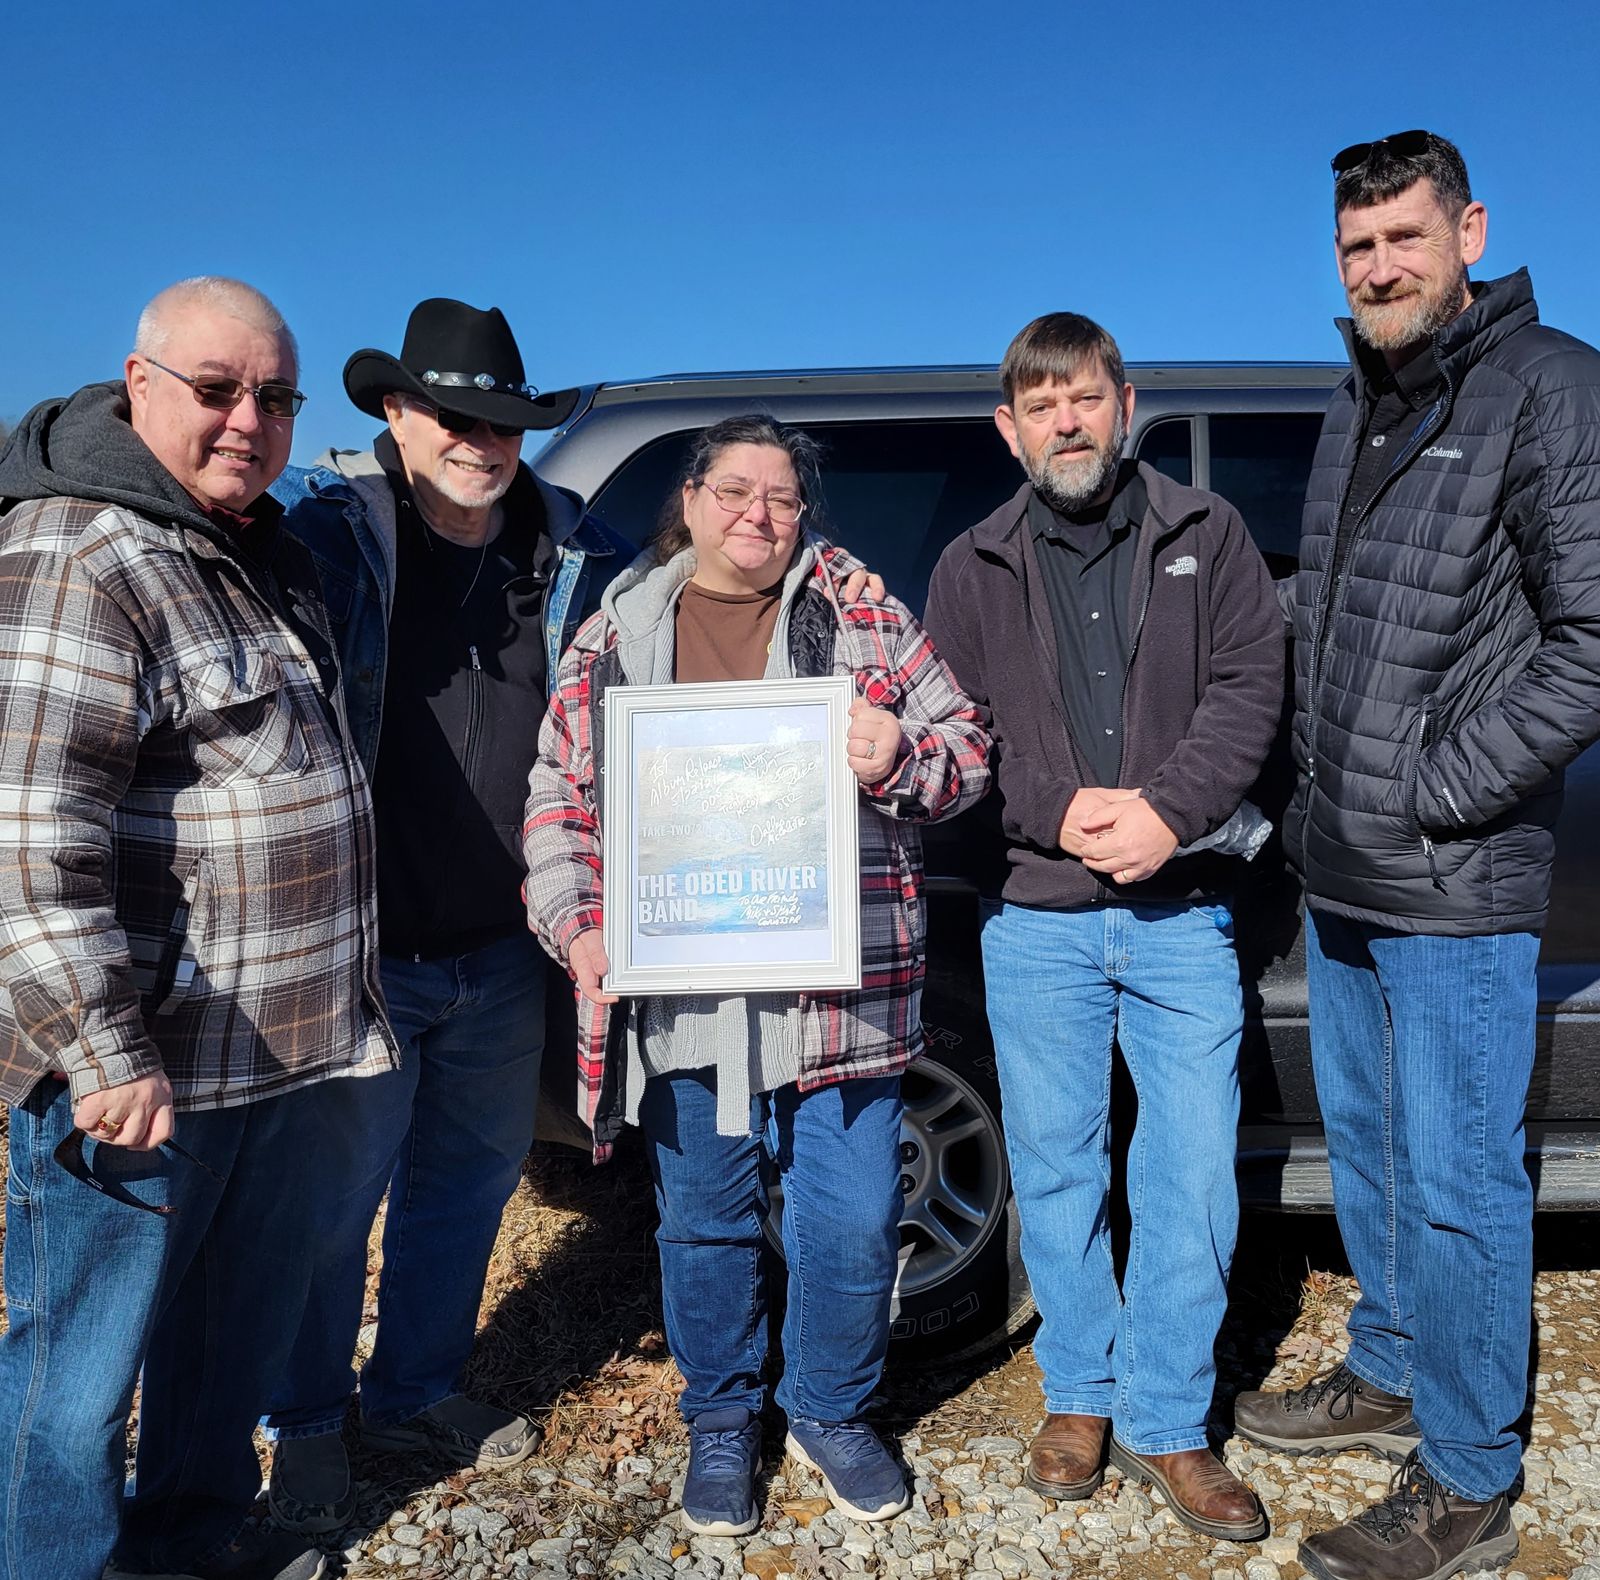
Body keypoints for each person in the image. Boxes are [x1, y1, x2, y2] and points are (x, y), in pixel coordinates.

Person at [1233, 130, 1600, 1580]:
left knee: (1460, 1184)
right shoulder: (1360, 398)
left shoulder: (1550, 387)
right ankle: (1390, 1365)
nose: (1380, 267)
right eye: (1358, 246)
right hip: (1344, 873)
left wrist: (1436, 788)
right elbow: (1335, 622)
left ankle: (1466, 1481)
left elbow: (1591, 644)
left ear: (1470, 231)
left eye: (1404, 237)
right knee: (1377, 1159)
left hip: (1452, 876)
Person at [523, 415, 991, 1534]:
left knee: (854, 1220)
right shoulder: (617, 636)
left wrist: (902, 756)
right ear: (690, 500)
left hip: (841, 994)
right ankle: (723, 1418)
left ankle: (831, 1409)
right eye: (734, 491)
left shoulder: (866, 616)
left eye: (782, 497)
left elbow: (969, 750)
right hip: (688, 996)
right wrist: (580, 926)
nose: (758, 516)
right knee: (704, 1223)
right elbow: (558, 795)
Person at [0, 277, 396, 1580]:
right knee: (76, 1376)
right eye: (217, 390)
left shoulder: (244, 546)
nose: (250, 421)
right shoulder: (82, 551)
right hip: (144, 1070)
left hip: (273, 1050)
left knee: (227, 1340)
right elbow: (27, 832)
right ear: (139, 383)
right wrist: (100, 1045)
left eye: (274, 398)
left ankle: (184, 1548)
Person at [262, 299, 632, 1529]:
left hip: (502, 950)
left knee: (465, 1190)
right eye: (454, 417)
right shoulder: (326, 540)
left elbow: (689, 622)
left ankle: (413, 1388)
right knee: (331, 1207)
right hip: (363, 948)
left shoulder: (574, 554)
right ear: (396, 412)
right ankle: (303, 1419)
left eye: (504, 423)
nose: (481, 442)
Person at [922, 312, 1283, 1542]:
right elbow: (961, 729)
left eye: (1083, 397)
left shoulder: (1207, 532)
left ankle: (1170, 1417)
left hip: (1182, 911)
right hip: (1037, 917)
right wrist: (1057, 808)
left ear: (1124, 404)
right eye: (1041, 405)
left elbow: (1251, 686)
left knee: (1190, 1172)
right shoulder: (970, 564)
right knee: (1059, 1165)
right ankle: (1079, 1391)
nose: (1065, 421)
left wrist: (1169, 812)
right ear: (1008, 427)